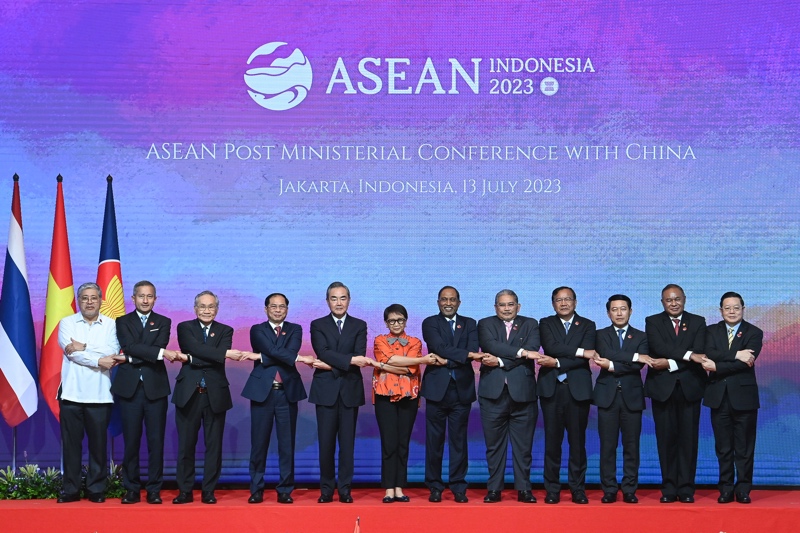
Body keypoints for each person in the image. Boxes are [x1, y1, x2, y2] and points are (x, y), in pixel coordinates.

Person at [113, 281, 183, 505]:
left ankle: (154, 489)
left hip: (155, 389)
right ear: (133, 298)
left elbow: (150, 346)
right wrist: (158, 353)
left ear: (155, 299)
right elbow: (130, 346)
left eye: (149, 296)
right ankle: (131, 489)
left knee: (156, 442)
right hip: (130, 390)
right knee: (131, 442)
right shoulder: (122, 321)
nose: (145, 300)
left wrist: (131, 356)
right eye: (141, 296)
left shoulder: (163, 321)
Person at [242, 293, 314, 504]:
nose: (277, 310)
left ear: (287, 309)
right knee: (259, 444)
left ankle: (285, 490)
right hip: (262, 393)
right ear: (266, 309)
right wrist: (296, 358)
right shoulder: (257, 329)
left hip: (287, 392)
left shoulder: (295, 329)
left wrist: (261, 357)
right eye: (273, 306)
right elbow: (274, 351)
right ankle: (256, 489)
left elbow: (287, 351)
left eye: (282, 306)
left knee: (287, 444)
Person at [368, 304, 442, 503]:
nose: (396, 324)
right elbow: (392, 359)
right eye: (392, 320)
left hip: (409, 395)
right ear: (386, 323)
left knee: (403, 443)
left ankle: (399, 487)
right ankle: (388, 488)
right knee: (388, 443)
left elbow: (411, 368)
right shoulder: (379, 340)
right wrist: (412, 361)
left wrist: (386, 365)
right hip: (384, 395)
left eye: (400, 320)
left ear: (406, 321)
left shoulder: (415, 342)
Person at [57, 282, 122, 503]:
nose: (89, 302)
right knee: (71, 446)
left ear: (101, 300)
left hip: (100, 394)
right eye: (85, 298)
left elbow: (112, 352)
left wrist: (83, 347)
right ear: (79, 300)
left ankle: (96, 489)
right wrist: (97, 359)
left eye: (94, 298)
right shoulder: (67, 323)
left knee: (98, 446)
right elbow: (71, 353)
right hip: (71, 394)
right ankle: (71, 489)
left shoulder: (111, 324)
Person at [172, 290, 239, 504]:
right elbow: (192, 347)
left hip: (215, 394)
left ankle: (209, 491)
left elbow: (214, 359)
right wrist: (220, 353)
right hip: (188, 394)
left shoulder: (225, 330)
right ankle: (185, 491)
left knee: (214, 446)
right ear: (195, 308)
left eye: (211, 306)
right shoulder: (184, 327)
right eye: (202, 306)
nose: (207, 310)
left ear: (217, 309)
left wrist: (191, 358)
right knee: (186, 446)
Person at [420, 286, 483, 503]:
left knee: (459, 441)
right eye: (444, 299)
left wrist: (447, 360)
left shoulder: (470, 323)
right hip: (436, 391)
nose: (448, 303)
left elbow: (472, 351)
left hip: (461, 390)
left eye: (452, 299)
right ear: (438, 302)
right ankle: (434, 486)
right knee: (434, 442)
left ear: (459, 302)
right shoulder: (430, 323)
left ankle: (458, 486)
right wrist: (464, 356)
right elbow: (438, 346)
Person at [644, 283, 706, 504]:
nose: (673, 303)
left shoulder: (698, 322)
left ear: (684, 299)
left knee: (689, 441)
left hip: (690, 388)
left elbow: (700, 352)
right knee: (666, 440)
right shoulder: (652, 321)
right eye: (668, 300)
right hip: (662, 390)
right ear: (662, 302)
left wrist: (671, 363)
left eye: (677, 299)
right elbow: (658, 348)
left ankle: (687, 488)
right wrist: (688, 356)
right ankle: (669, 488)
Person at [477, 290, 540, 504]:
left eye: (510, 304)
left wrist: (501, 361)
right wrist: (521, 353)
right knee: (494, 446)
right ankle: (494, 489)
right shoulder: (485, 324)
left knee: (524, 446)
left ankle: (524, 489)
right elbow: (491, 346)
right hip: (492, 394)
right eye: (502, 305)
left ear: (518, 306)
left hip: (523, 394)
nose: (506, 308)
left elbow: (532, 348)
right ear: (495, 307)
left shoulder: (530, 324)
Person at [308, 282, 370, 504]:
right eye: (334, 298)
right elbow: (322, 352)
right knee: (325, 444)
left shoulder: (359, 325)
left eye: (343, 298)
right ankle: (326, 490)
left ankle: (345, 489)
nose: (339, 303)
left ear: (349, 300)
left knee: (347, 445)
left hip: (349, 390)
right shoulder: (317, 324)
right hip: (325, 392)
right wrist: (347, 361)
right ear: (327, 301)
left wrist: (331, 366)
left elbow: (359, 355)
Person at [701, 292, 762, 504]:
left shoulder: (754, 332)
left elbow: (746, 362)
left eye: (736, 307)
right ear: (721, 311)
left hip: (744, 398)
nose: (732, 311)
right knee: (723, 447)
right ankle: (726, 489)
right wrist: (736, 354)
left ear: (743, 309)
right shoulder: (710, 331)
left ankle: (743, 489)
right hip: (718, 396)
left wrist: (718, 366)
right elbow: (709, 353)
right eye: (727, 308)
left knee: (744, 448)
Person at [537, 286, 596, 504]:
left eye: (567, 299)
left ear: (575, 302)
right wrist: (579, 352)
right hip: (551, 390)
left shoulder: (588, 325)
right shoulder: (545, 323)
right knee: (552, 442)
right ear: (553, 304)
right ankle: (552, 489)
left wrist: (557, 362)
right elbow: (551, 347)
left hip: (577, 391)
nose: (563, 303)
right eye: (559, 300)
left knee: (577, 443)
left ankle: (577, 489)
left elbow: (586, 356)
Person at [592, 294, 651, 504]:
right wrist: (634, 356)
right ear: (608, 313)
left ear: (630, 311)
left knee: (631, 446)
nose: (619, 313)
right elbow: (605, 353)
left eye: (623, 309)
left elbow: (638, 366)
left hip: (631, 397)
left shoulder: (642, 336)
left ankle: (629, 489)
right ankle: (609, 489)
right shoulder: (599, 335)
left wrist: (612, 364)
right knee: (607, 447)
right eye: (614, 309)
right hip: (607, 396)